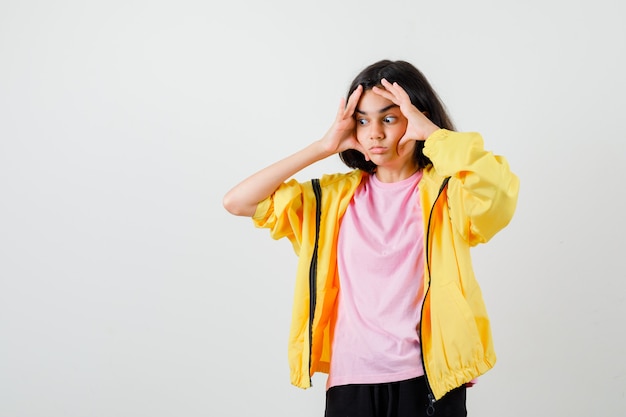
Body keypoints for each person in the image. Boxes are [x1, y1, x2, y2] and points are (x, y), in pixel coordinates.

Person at [222, 59, 519, 417]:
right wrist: (322, 146)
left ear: (417, 117)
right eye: (362, 120)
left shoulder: (447, 193)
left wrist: (435, 137)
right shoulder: (329, 200)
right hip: (352, 380)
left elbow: (498, 191)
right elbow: (238, 201)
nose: (374, 132)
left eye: (390, 118)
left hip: (429, 378)